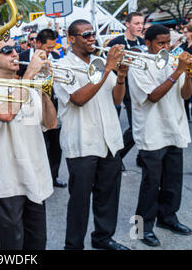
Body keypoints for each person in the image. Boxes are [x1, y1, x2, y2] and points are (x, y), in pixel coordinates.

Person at [53, 19, 130, 250]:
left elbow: (116, 100)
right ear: (71, 38)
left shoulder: (99, 61)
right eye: (85, 34)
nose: (91, 38)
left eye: (92, 34)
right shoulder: (62, 66)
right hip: (82, 142)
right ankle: (73, 245)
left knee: (108, 195)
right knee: (79, 200)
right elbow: (77, 98)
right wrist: (107, 68)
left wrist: (121, 76)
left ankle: (103, 238)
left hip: (109, 140)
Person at [0, 38, 57, 250]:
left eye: (15, 49)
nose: (15, 54)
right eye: (7, 51)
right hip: (5, 184)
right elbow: (5, 113)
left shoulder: (26, 85)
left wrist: (43, 89)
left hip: (35, 180)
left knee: (37, 245)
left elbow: (51, 123)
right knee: (10, 249)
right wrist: (29, 75)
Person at [128, 24, 192, 247]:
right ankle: (140, 228)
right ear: (148, 43)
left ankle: (168, 217)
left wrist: (189, 74)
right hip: (151, 132)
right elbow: (153, 96)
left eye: (168, 43)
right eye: (160, 43)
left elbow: (186, 95)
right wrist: (178, 72)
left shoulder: (174, 63)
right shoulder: (139, 65)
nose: (166, 47)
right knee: (150, 183)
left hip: (175, 128)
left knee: (173, 181)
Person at [17, 29, 66, 188]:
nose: (50, 51)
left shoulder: (56, 57)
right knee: (38, 143)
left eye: (52, 47)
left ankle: (53, 177)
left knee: (55, 145)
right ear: (38, 43)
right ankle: (36, 178)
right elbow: (18, 80)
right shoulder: (23, 57)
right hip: (31, 104)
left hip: (51, 101)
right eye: (48, 47)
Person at [107, 11, 146, 169]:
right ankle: (117, 156)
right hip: (124, 86)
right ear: (127, 24)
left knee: (140, 123)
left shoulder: (143, 42)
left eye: (141, 23)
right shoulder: (116, 42)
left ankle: (140, 156)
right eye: (136, 23)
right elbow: (108, 66)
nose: (140, 26)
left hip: (141, 86)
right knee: (134, 124)